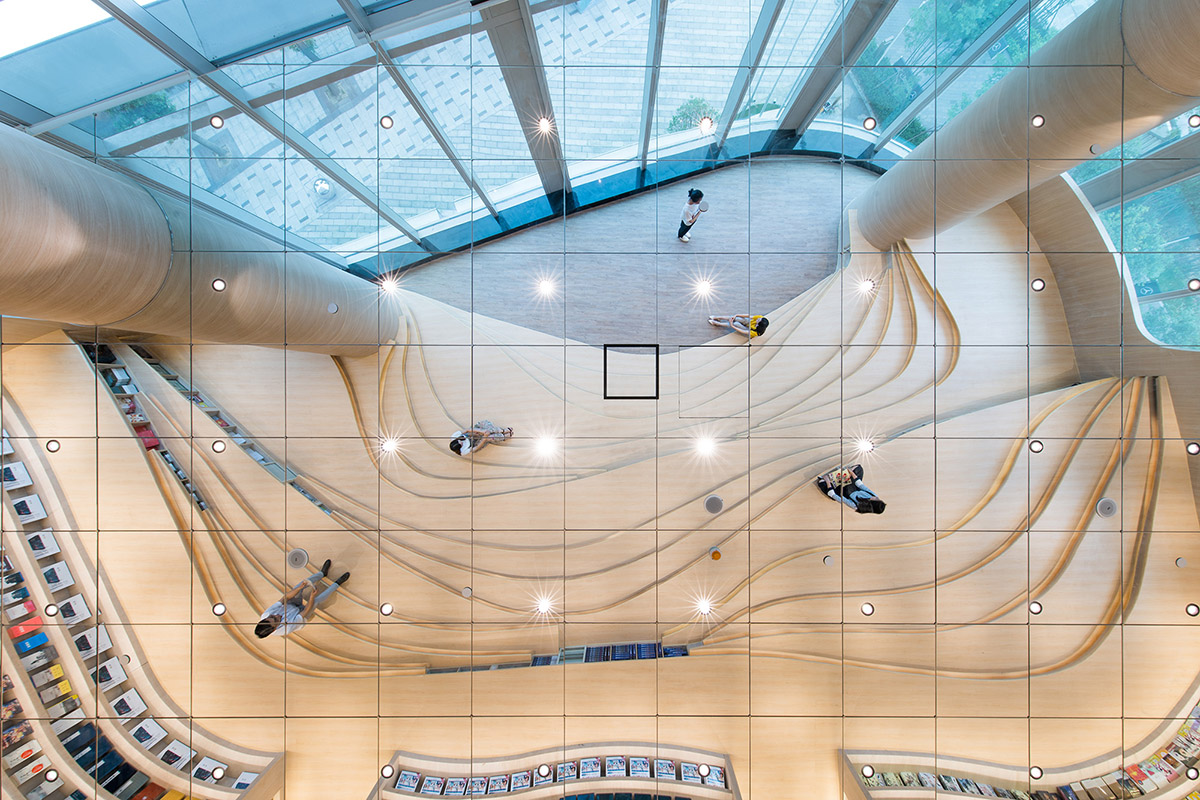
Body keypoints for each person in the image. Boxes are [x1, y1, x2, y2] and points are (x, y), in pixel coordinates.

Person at [254, 559, 350, 638]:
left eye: (271, 617)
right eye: (275, 619)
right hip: (301, 615)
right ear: (275, 629)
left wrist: (300, 587)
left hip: (291, 606)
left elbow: (286, 597)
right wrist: (312, 596)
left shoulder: (267, 614)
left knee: (299, 586)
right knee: (316, 600)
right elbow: (307, 609)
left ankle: (322, 574)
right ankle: (337, 583)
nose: (275, 615)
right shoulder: (287, 628)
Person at [815, 464, 886, 514]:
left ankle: (839, 477)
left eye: (877, 499)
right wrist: (850, 472)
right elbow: (860, 485)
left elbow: (836, 496)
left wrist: (828, 482)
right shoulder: (873, 495)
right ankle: (843, 475)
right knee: (859, 469)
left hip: (843, 492)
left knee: (823, 484)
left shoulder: (856, 506)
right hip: (853, 487)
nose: (876, 497)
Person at [449, 421, 513, 455]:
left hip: (474, 433)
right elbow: (476, 448)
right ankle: (503, 436)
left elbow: (467, 430)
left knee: (487, 429)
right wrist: (484, 438)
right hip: (477, 443)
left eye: (460, 440)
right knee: (489, 437)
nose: (462, 442)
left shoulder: (454, 436)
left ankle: (502, 431)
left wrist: (482, 431)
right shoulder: (463, 451)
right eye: (461, 444)